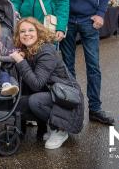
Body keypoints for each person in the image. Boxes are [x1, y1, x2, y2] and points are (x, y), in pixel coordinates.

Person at [55, 0, 114, 125]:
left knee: (93, 66)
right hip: (66, 21)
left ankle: (95, 109)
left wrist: (100, 13)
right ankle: (73, 107)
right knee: (67, 68)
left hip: (89, 20)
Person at [9, 17, 84, 149]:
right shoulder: (27, 50)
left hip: (67, 98)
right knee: (19, 103)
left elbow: (37, 84)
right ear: (18, 35)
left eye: (31, 30)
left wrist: (20, 62)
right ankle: (48, 126)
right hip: (52, 93)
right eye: (22, 31)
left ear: (39, 32)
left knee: (34, 100)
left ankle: (60, 130)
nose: (26, 34)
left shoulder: (46, 51)